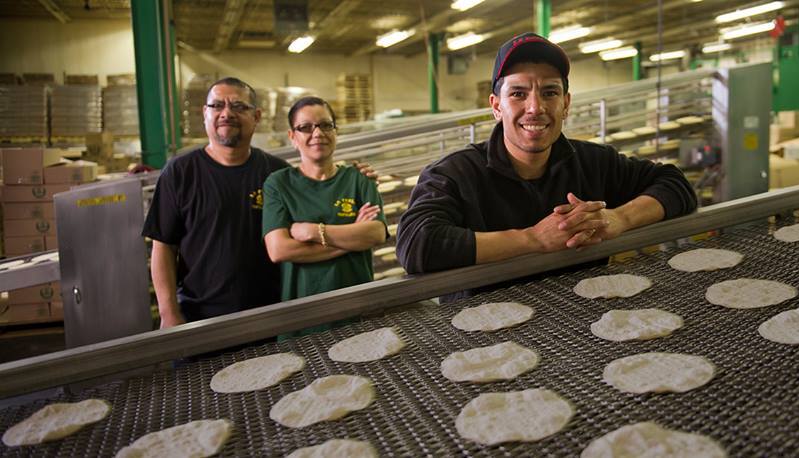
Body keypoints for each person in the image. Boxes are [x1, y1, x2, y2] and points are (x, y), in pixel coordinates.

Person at [396, 32, 697, 302]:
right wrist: (534, 239)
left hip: (586, 319)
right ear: (496, 106)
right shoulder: (455, 174)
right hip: (483, 338)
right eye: (518, 93)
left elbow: (675, 184)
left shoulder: (593, 162)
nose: (535, 108)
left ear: (566, 104)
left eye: (549, 93)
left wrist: (618, 219)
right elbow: (417, 244)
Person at [142, 77, 376, 329]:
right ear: (204, 114)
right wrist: (168, 312)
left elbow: (312, 224)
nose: (226, 114)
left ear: (256, 116)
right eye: (217, 106)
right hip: (199, 316)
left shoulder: (276, 174)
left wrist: (355, 178)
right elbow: (164, 247)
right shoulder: (180, 173)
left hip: (272, 314)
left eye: (239, 106)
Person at [261, 97, 387, 337]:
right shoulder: (278, 184)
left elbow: (376, 233)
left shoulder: (358, 179)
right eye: (306, 127)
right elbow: (279, 250)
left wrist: (312, 232)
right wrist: (350, 239)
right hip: (302, 318)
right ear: (292, 136)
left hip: (357, 312)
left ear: (336, 132)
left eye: (325, 125)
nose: (317, 133)